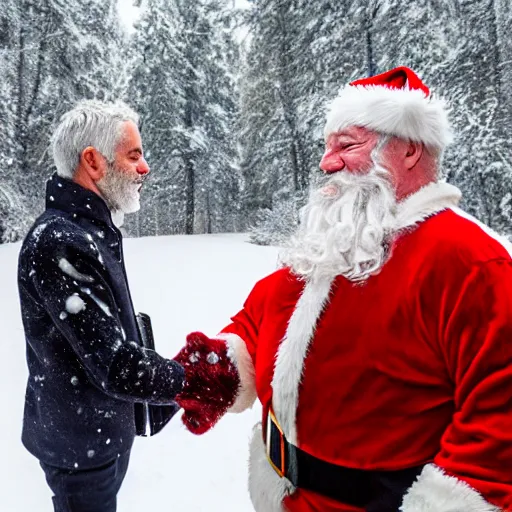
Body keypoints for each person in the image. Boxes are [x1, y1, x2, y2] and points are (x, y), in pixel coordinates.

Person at [173, 66, 512, 512]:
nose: (326, 162)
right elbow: (263, 319)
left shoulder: (470, 262)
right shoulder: (336, 239)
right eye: (327, 147)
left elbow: (499, 427)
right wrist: (220, 368)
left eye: (346, 145)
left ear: (409, 149)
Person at [17, 100, 185, 512]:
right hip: (79, 450)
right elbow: (113, 363)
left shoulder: (90, 230)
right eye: (134, 155)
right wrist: (191, 379)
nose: (144, 167)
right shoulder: (60, 241)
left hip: (100, 434)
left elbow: (109, 337)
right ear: (92, 161)